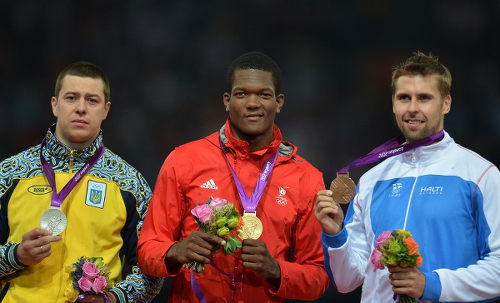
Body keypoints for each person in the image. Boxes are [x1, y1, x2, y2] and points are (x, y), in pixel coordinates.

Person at [137, 51, 330, 302]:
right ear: (227, 101)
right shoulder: (183, 161)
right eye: (242, 94)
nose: (253, 103)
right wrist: (176, 251)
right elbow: (146, 250)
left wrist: (276, 270)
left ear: (279, 102)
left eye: (264, 94)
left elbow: (318, 277)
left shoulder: (306, 178)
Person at [315, 51, 500, 302]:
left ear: (446, 103)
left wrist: (431, 284)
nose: (412, 108)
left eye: (424, 98)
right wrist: (336, 235)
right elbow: (347, 281)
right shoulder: (371, 181)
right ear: (393, 103)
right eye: (404, 98)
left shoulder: (480, 176)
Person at [0, 61, 162, 302]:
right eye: (71, 98)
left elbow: (152, 275)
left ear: (106, 109)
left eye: (92, 100)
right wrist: (16, 256)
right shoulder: (9, 174)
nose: (81, 108)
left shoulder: (130, 184)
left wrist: (112, 299)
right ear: (55, 105)